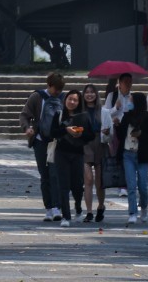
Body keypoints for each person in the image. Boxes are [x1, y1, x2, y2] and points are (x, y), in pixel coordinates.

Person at [20, 72, 64, 220]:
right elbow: (25, 114)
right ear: (49, 85)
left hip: (56, 141)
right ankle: (49, 208)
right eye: (55, 89)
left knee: (55, 174)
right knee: (44, 175)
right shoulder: (37, 97)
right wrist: (27, 128)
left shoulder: (63, 98)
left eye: (60, 89)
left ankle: (58, 207)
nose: (57, 92)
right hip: (39, 140)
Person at [47, 90, 93, 227]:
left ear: (79, 103)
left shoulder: (84, 117)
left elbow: (91, 135)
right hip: (61, 153)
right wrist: (66, 130)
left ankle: (78, 207)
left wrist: (80, 135)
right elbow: (52, 133)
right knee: (63, 186)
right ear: (65, 100)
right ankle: (65, 217)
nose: (72, 102)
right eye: (70, 99)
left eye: (75, 100)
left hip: (78, 153)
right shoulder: (59, 115)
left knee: (77, 186)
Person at [120, 91, 148, 225]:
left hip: (142, 155)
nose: (129, 103)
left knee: (143, 186)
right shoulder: (126, 117)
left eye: (131, 100)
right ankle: (132, 212)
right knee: (131, 185)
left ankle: (144, 208)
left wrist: (141, 134)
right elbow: (120, 135)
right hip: (127, 154)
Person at [80, 84, 107, 222]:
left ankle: (101, 206)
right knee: (88, 179)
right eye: (86, 92)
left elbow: (110, 131)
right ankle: (89, 211)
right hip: (85, 143)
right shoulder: (80, 110)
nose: (89, 95)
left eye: (92, 92)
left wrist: (107, 132)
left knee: (99, 181)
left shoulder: (103, 111)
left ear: (96, 95)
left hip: (100, 143)